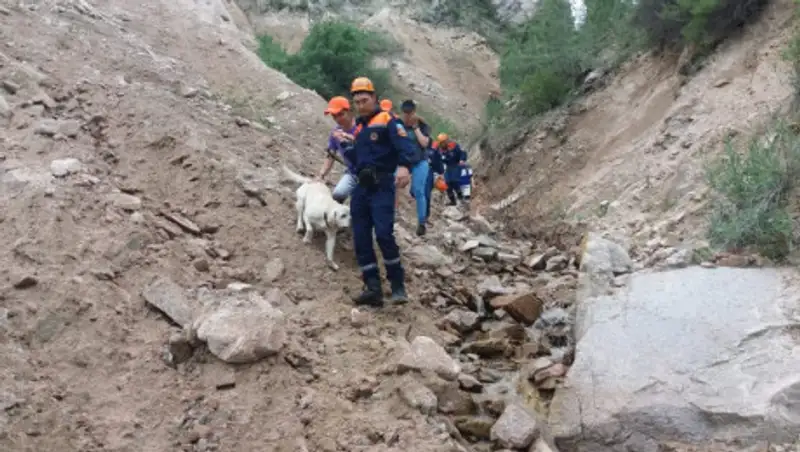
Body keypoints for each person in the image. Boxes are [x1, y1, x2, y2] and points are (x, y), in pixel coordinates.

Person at [343, 77, 416, 307]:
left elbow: (406, 147)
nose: (361, 105)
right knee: (361, 236)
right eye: (357, 102)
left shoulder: (388, 121)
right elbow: (357, 160)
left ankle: (397, 286)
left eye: (364, 100)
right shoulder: (359, 128)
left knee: (384, 233)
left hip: (382, 185)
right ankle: (372, 287)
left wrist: (404, 166)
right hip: (361, 186)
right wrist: (346, 146)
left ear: (374, 97)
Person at [399, 99, 433, 236]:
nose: (407, 116)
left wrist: (416, 128)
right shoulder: (398, 124)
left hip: (420, 161)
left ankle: (421, 222)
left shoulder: (423, 125)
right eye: (405, 113)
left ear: (414, 112)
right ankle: (392, 213)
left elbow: (424, 143)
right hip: (404, 162)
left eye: (410, 113)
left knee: (418, 190)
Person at [316, 96, 358, 203]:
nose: (338, 119)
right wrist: (321, 175)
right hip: (352, 173)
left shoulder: (361, 127)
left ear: (349, 112)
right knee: (337, 195)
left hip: (370, 172)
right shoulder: (335, 133)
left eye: (341, 114)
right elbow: (331, 156)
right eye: (334, 116)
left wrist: (347, 139)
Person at [433, 133, 467, 206]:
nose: (444, 143)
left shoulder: (454, 146)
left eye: (445, 141)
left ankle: (461, 198)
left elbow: (462, 152)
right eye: (442, 142)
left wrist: (462, 159)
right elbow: (435, 160)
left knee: (454, 181)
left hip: (455, 165)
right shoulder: (438, 150)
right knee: (447, 184)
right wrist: (437, 171)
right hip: (446, 167)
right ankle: (453, 201)